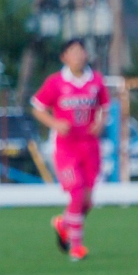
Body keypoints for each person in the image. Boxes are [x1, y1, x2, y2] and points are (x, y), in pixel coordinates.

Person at [30, 38, 108, 262]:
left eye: (81, 51)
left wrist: (100, 123)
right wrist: (55, 123)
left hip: (90, 146)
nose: (78, 56)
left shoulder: (96, 81)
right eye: (73, 52)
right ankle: (76, 247)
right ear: (64, 57)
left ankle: (64, 224)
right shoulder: (55, 82)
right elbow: (37, 107)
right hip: (66, 148)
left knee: (87, 201)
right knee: (76, 192)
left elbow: (104, 107)